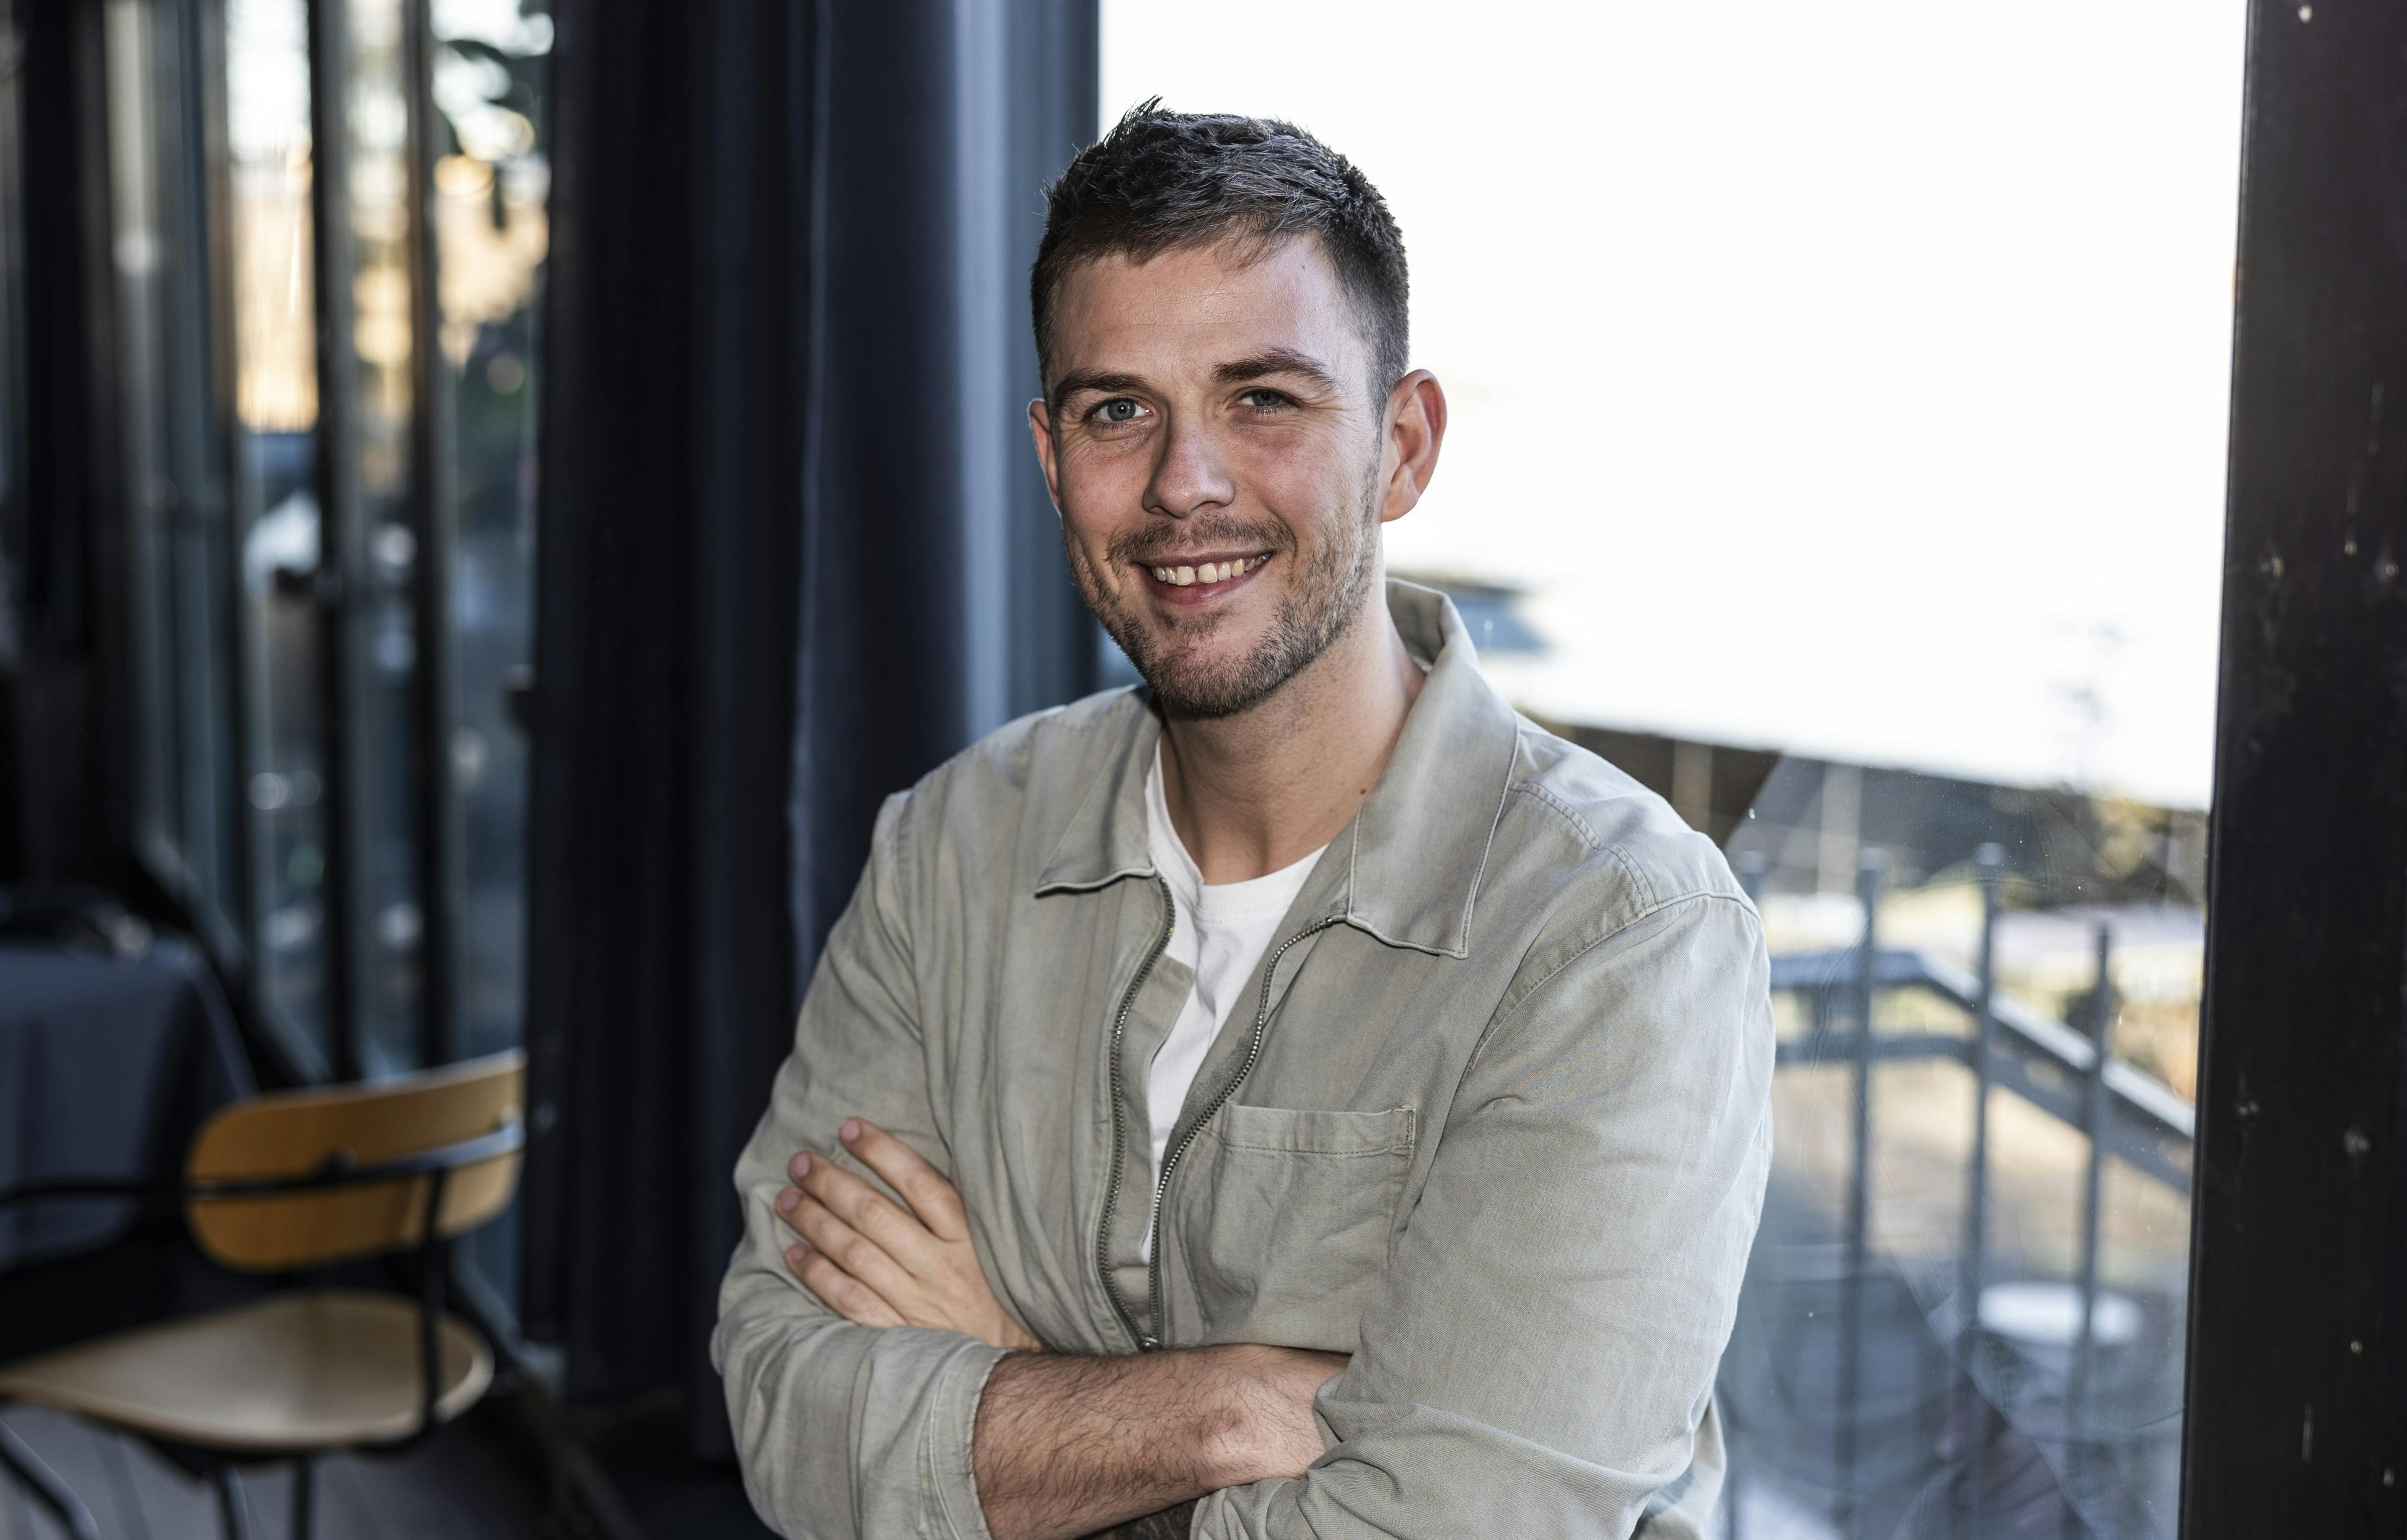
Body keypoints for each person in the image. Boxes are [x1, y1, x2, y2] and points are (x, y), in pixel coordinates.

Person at [713, 104, 1774, 1539]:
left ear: (1403, 446)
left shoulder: (1617, 936)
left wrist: (1014, 1384)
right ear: (1050, 456)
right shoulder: (952, 845)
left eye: (1263, 398)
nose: (1183, 484)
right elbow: (785, 1411)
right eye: (1117, 410)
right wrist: (1230, 1412)